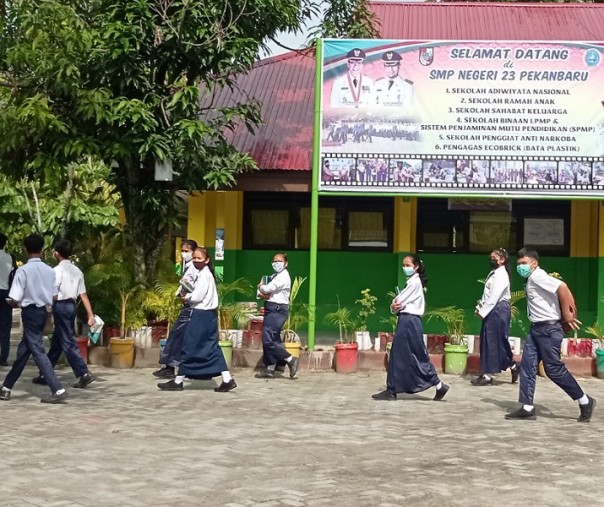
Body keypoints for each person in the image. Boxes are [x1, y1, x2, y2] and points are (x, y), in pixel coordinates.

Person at [505, 247, 595, 421]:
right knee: (527, 366)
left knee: (553, 369)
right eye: (518, 264)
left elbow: (562, 286)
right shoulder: (532, 278)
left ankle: (585, 401)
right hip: (536, 329)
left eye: (524, 263)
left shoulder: (538, 276)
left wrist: (568, 315)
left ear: (534, 263)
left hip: (548, 330)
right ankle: (527, 406)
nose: (520, 267)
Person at [158, 247, 236, 392]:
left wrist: (186, 297)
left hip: (200, 315)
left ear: (207, 260)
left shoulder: (204, 275)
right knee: (212, 348)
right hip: (209, 315)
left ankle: (178, 381)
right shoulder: (205, 274)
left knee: (189, 346)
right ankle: (227, 379)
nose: (196, 261)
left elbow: (197, 297)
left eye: (199, 258)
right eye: (194, 258)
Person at [372, 254, 449, 401]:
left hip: (408, 322)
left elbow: (398, 300)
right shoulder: (413, 282)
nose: (405, 268)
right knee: (408, 354)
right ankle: (435, 385)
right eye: (404, 265)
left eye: (408, 265)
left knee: (406, 354)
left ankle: (393, 389)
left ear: (416, 266)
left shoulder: (414, 283)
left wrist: (394, 305)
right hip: (409, 321)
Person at [0, 234, 67, 403]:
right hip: (43, 311)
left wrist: (14, 303)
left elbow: (14, 298)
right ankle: (6, 387)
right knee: (24, 351)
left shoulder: (23, 271)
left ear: (25, 249)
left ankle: (57, 388)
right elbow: (54, 296)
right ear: (42, 250)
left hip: (29, 312)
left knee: (37, 350)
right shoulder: (49, 270)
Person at [31, 240, 96, 388]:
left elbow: (53, 293)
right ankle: (44, 374)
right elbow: (83, 295)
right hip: (71, 306)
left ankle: (83, 373)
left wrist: (44, 304)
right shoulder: (77, 271)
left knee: (67, 341)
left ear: (56, 254)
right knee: (58, 342)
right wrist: (90, 314)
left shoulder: (57, 271)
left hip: (60, 306)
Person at [472, 248, 518, 386]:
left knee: (496, 340)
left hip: (498, 309)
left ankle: (490, 374)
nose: (491, 259)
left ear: (502, 259)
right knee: (488, 340)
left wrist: (483, 311)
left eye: (494, 257)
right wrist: (481, 306)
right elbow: (487, 295)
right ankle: (494, 371)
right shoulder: (495, 273)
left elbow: (495, 296)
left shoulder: (501, 274)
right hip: (492, 308)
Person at [153, 239, 198, 379]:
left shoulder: (194, 267)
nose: (184, 254)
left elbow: (195, 286)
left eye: (187, 251)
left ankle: (171, 366)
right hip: (188, 304)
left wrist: (185, 292)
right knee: (180, 336)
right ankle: (171, 366)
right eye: (183, 251)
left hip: (191, 306)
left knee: (177, 335)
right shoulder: (188, 266)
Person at [256, 253, 299, 379]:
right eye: (274, 260)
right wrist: (262, 289)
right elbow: (260, 293)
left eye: (279, 261)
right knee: (273, 339)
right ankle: (270, 368)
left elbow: (266, 288)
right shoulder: (275, 276)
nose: (276, 263)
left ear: (286, 264)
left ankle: (290, 359)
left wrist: (261, 286)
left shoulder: (283, 277)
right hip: (271, 307)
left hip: (277, 309)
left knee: (268, 339)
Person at [0, 233, 14, 366]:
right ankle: (3, 357)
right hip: (5, 293)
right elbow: (11, 276)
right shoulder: (9, 258)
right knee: (5, 328)